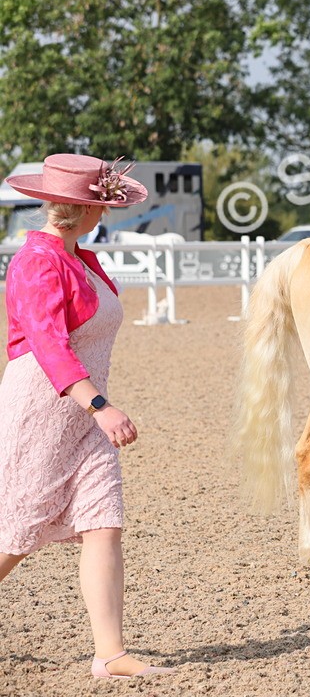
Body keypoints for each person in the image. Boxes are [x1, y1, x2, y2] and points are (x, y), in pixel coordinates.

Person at [0, 154, 174, 680]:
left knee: (103, 524)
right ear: (84, 210)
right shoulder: (36, 262)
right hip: (46, 407)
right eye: (101, 202)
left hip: (82, 410)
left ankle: (110, 653)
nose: (107, 211)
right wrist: (100, 405)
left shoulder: (83, 258)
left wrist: (94, 406)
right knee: (16, 532)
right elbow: (49, 345)